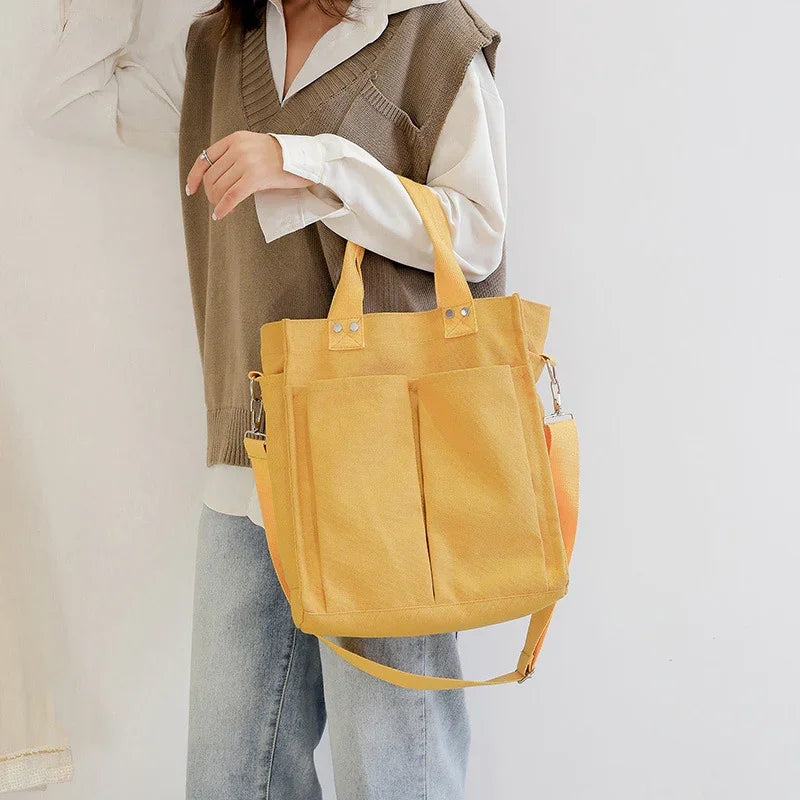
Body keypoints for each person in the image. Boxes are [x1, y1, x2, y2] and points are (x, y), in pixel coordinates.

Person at [30, 0, 507, 797]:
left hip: (384, 465)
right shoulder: (219, 49)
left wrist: (310, 163)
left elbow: (480, 234)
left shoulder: (432, 36)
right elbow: (69, 101)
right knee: (227, 776)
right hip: (244, 461)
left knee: (388, 773)